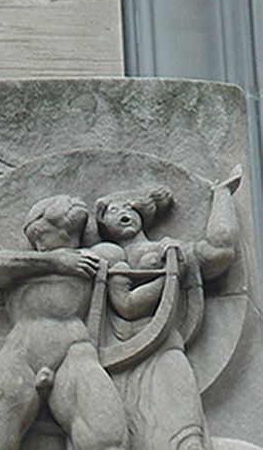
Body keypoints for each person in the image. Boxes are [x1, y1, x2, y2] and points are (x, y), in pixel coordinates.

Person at [92, 169, 241, 450]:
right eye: (111, 211)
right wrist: (168, 277)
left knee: (186, 439)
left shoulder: (174, 250)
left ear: (140, 212)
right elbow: (126, 306)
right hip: (116, 366)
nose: (121, 213)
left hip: (165, 356)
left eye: (126, 207)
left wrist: (222, 195)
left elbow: (220, 251)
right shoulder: (108, 260)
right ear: (103, 227)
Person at [0, 195, 127, 450]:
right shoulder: (23, 265)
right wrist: (55, 261)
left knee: (107, 441)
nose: (37, 245)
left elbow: (115, 254)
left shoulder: (94, 257)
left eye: (42, 236)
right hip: (21, 354)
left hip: (74, 353)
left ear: (65, 231)